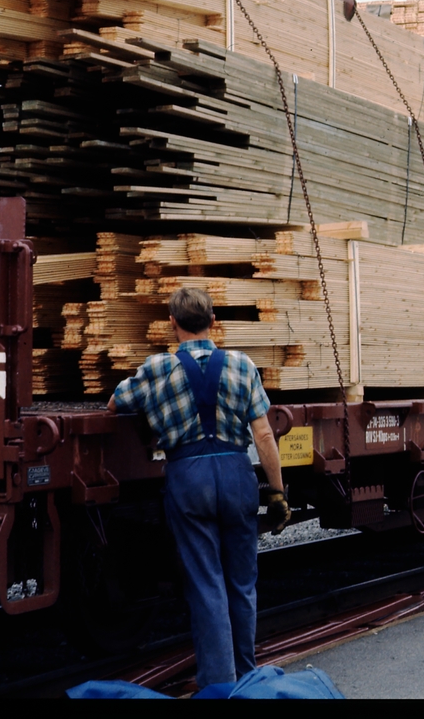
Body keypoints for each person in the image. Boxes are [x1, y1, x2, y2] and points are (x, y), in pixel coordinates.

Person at [108, 287, 291, 689]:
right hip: (236, 474)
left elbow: (114, 403)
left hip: (188, 478)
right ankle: (247, 677)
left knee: (206, 584)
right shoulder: (242, 366)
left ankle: (219, 685)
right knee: (242, 583)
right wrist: (277, 494)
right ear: (214, 322)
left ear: (172, 324)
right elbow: (263, 435)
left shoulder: (156, 369)